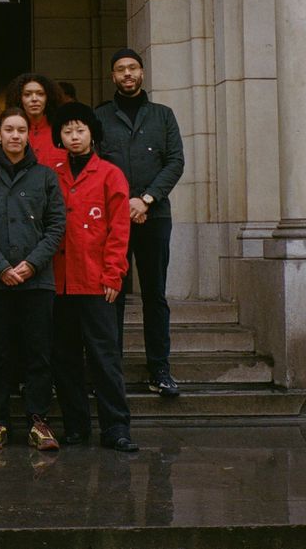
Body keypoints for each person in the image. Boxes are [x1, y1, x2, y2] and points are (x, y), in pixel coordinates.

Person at [0, 106, 66, 452]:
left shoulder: (46, 177)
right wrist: (1, 267)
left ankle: (38, 421)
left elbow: (55, 227)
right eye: (9, 129)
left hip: (36, 281)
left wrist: (30, 265)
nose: (15, 136)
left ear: (28, 134)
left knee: (38, 353)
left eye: (21, 130)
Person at [95, 48, 185, 397]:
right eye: (120, 69)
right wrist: (124, 206)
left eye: (133, 68)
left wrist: (146, 199)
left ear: (143, 73)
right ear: (113, 76)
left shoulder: (163, 116)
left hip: (155, 215)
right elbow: (97, 166)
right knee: (111, 293)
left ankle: (159, 369)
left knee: (154, 294)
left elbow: (175, 162)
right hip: (113, 221)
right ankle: (109, 369)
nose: (127, 74)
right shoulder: (100, 117)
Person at [49, 101, 138, 452]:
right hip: (59, 281)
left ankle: (116, 427)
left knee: (104, 357)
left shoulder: (110, 174)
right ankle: (76, 426)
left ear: (92, 134)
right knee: (65, 357)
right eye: (68, 130)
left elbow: (119, 229)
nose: (74, 136)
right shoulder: (50, 172)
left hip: (97, 281)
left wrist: (114, 273)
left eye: (80, 130)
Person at [5, 72, 67, 168]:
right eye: (27, 94)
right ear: (19, 98)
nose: (34, 99)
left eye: (40, 94)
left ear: (48, 98)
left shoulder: (62, 131)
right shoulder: (9, 134)